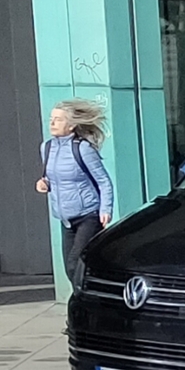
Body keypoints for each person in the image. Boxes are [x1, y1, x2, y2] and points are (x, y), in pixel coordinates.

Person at [38, 101, 115, 287]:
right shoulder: (46, 148)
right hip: (65, 218)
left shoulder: (82, 149)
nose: (52, 123)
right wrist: (44, 183)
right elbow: (51, 177)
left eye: (58, 120)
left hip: (88, 215)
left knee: (75, 264)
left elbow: (103, 181)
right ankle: (89, 300)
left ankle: (89, 299)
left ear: (71, 125)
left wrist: (106, 209)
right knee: (70, 269)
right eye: (51, 119)